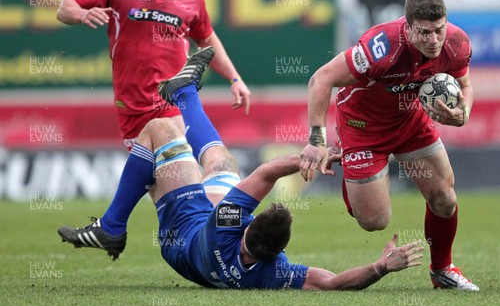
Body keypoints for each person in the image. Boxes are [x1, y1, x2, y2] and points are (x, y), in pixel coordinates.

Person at [57, 52, 424, 290]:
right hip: (203, 255)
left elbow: (266, 173)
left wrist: (312, 157)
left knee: (160, 131)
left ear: (245, 222)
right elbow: (331, 283)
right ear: (278, 253)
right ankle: (184, 90)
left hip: (181, 232)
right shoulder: (271, 273)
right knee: (221, 163)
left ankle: (112, 227)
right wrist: (380, 268)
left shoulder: (227, 223)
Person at [56, 0, 248, 231]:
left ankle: (227, 232)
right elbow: (66, 6)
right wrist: (82, 14)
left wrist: (235, 79)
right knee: (165, 191)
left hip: (175, 101)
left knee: (215, 161)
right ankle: (196, 235)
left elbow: (208, 41)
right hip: (133, 110)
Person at [299, 0, 479, 291]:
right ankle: (350, 166)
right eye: (424, 33)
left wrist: (464, 113)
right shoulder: (381, 47)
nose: (434, 41)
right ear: (407, 27)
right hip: (362, 126)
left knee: (445, 199)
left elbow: (466, 85)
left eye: (439, 30)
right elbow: (321, 79)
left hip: (409, 121)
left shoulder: (457, 43)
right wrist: (317, 140)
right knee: (374, 220)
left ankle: (442, 270)